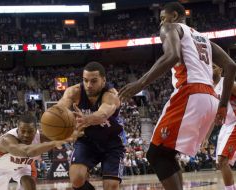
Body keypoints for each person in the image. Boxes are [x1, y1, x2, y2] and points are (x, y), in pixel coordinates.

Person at [118, 2, 236, 190]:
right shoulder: (204, 39)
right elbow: (230, 66)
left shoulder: (170, 27)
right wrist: (222, 105)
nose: (161, 23)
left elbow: (171, 56)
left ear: (173, 16)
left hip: (191, 92)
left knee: (156, 155)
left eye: (163, 18)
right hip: (211, 98)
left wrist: (140, 83)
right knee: (166, 153)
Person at [57, 61, 125, 190]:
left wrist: (86, 119)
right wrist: (57, 116)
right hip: (87, 141)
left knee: (111, 186)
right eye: (85, 80)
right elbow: (60, 107)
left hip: (112, 143)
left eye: (94, 81)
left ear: (103, 80)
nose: (88, 85)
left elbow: (103, 115)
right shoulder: (74, 91)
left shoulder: (111, 95)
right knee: (76, 179)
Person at [0, 114, 73, 190]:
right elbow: (27, 151)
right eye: (23, 131)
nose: (26, 135)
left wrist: (74, 131)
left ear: (35, 130)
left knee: (29, 184)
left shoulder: (40, 136)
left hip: (19, 166)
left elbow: (62, 136)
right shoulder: (7, 140)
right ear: (18, 129)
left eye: (30, 131)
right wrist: (56, 142)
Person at [213, 64, 236, 190]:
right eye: (209, 67)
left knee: (223, 160)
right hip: (226, 126)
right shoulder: (211, 89)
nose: (211, 69)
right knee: (220, 163)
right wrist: (205, 137)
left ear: (220, 70)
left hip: (235, 123)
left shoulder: (228, 83)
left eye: (214, 67)